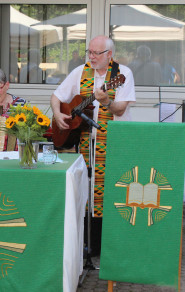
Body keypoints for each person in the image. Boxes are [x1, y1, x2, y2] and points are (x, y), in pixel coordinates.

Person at [50, 35, 136, 254]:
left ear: (109, 55)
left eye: (96, 53)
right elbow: (57, 95)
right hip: (87, 143)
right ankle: (90, 242)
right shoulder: (80, 71)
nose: (91, 57)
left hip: (115, 142)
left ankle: (113, 243)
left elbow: (120, 110)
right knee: (87, 188)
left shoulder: (122, 74)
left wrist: (106, 101)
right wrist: (58, 113)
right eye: (90, 52)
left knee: (114, 188)